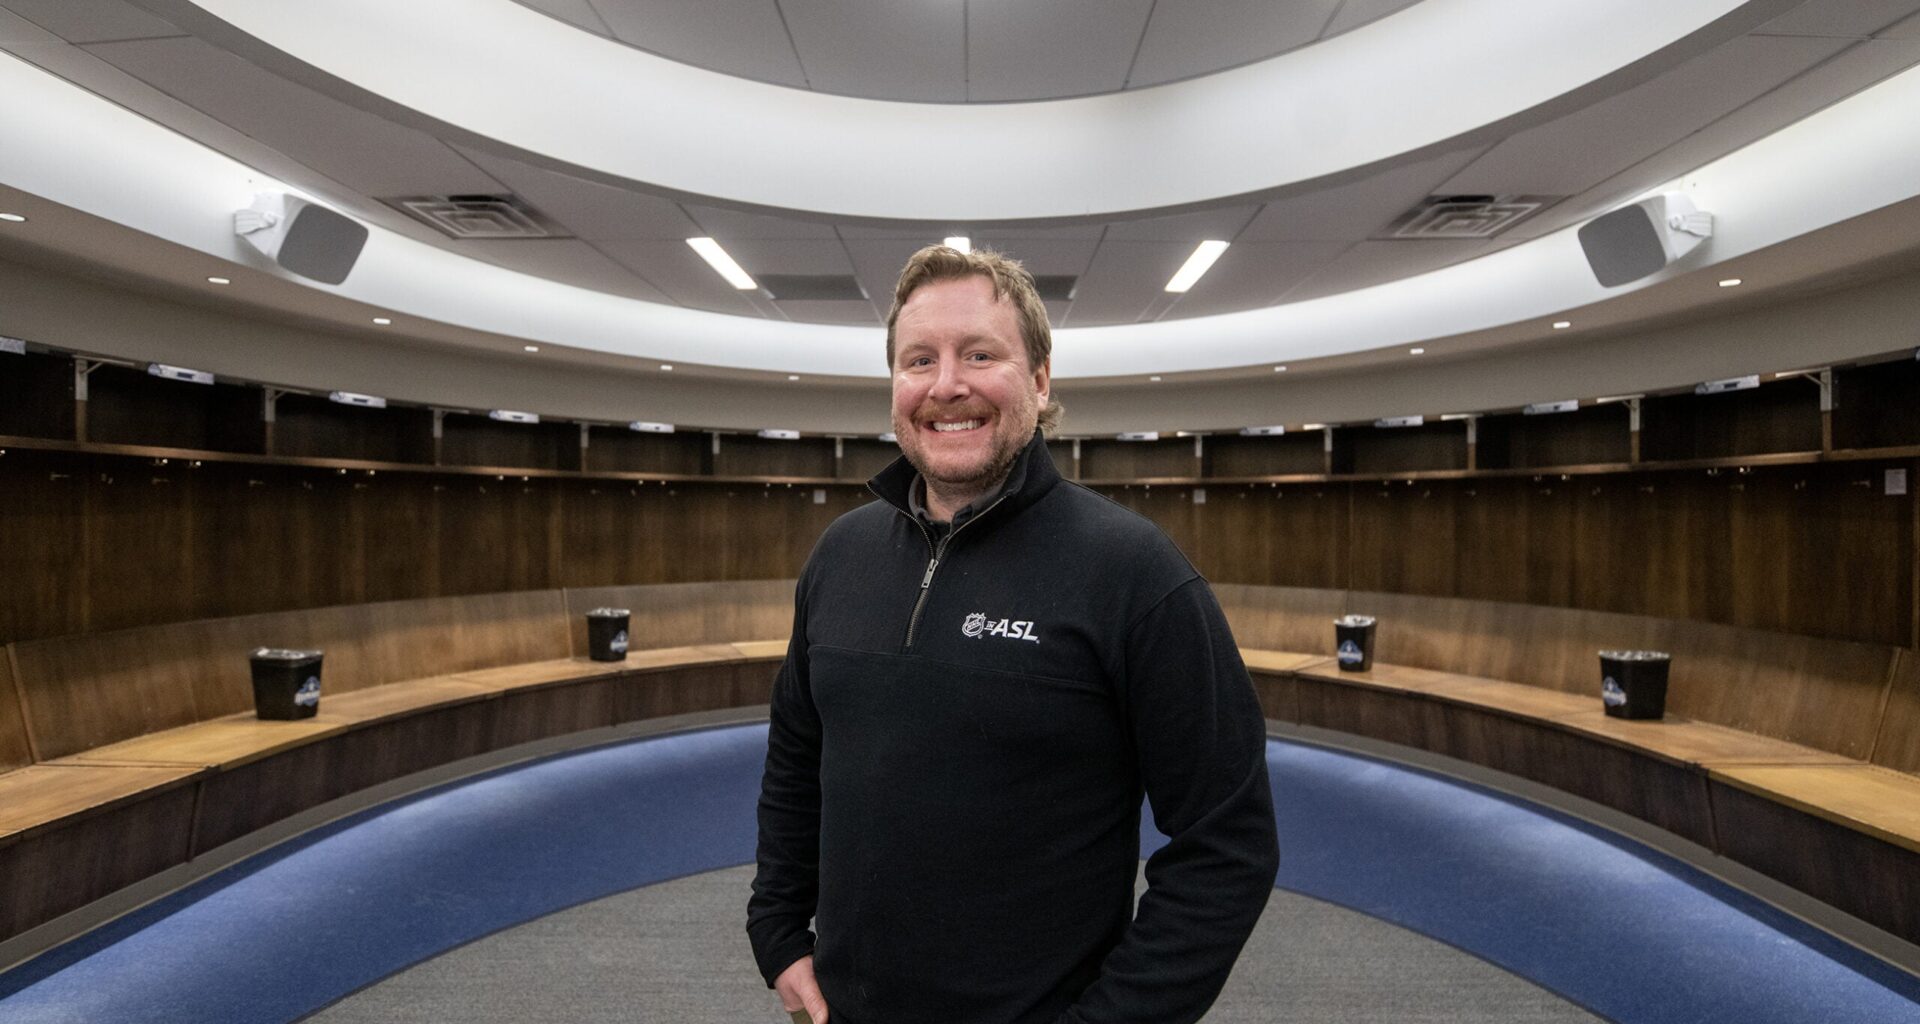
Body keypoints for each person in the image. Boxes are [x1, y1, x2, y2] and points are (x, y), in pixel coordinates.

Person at [746, 245, 1279, 1024]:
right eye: (918, 359)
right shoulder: (841, 555)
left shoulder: (1134, 574)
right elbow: (798, 757)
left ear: (1039, 379)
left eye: (980, 354)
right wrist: (779, 930)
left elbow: (1228, 845)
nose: (946, 384)